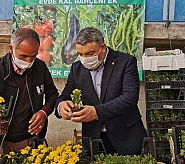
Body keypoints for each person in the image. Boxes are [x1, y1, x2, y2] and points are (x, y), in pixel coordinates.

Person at [55, 27, 147, 155]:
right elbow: (64, 96)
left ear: (103, 48)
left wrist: (97, 112)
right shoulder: (77, 68)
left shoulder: (125, 62)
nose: (84, 59)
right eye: (80, 54)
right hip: (94, 139)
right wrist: (61, 106)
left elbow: (129, 97)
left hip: (126, 136)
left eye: (89, 53)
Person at [0, 28, 58, 154]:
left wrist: (44, 113)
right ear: (11, 49)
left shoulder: (40, 67)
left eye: (33, 57)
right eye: (23, 56)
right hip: (1, 141)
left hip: (31, 139)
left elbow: (53, 94)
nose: (28, 61)